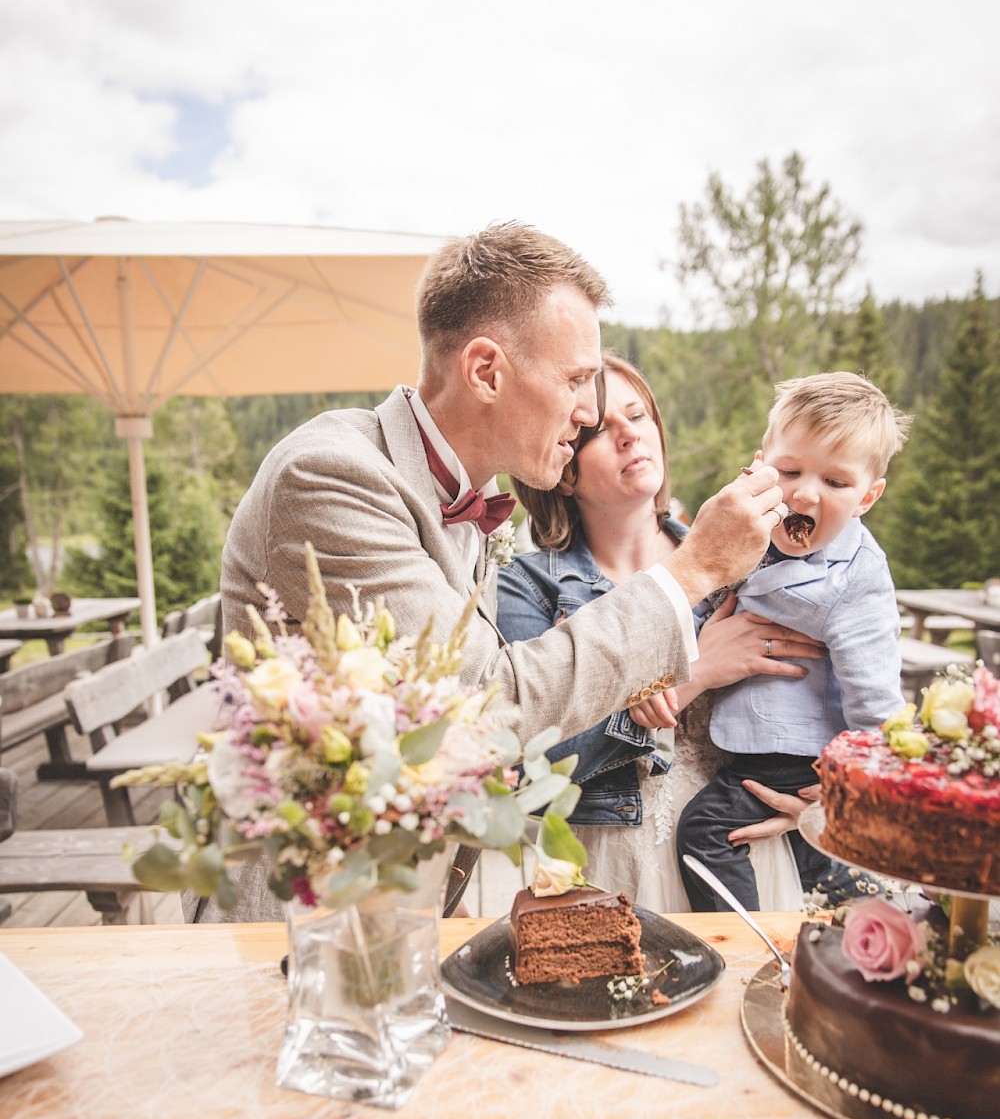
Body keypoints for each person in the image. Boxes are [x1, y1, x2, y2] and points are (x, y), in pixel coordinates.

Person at [213, 223, 792, 923]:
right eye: (578, 379)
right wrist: (693, 568)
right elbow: (482, 704)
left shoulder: (457, 496)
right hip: (299, 923)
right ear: (486, 371)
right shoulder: (332, 476)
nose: (588, 412)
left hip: (401, 903)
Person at [497, 351, 821, 913]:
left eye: (638, 415)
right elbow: (530, 767)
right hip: (612, 862)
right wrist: (692, 673)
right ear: (562, 464)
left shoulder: (756, 559)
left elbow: (827, 683)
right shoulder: (526, 588)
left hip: (742, 848)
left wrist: (819, 799)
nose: (629, 436)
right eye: (600, 429)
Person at [677, 372, 911, 913]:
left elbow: (874, 691)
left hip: (804, 751)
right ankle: (837, 933)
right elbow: (703, 597)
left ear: (867, 497)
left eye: (835, 482)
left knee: (707, 831)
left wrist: (858, 786)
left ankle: (747, 948)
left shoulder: (855, 577)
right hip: (759, 738)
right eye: (789, 471)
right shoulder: (746, 530)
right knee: (821, 869)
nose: (805, 492)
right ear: (760, 467)